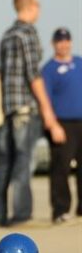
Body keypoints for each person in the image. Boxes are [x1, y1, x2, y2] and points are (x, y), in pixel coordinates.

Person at [0, 0, 66, 227]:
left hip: (9, 108)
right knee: (24, 160)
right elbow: (34, 75)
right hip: (25, 108)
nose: (40, 9)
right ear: (30, 6)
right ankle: (21, 214)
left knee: (5, 162)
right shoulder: (28, 34)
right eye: (38, 4)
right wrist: (48, 111)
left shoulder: (7, 36)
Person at [41, 28, 82, 224]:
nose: (63, 45)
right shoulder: (49, 69)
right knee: (61, 168)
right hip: (62, 123)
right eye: (60, 41)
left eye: (66, 41)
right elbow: (45, 100)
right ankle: (60, 210)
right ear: (54, 44)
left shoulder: (80, 64)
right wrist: (52, 125)